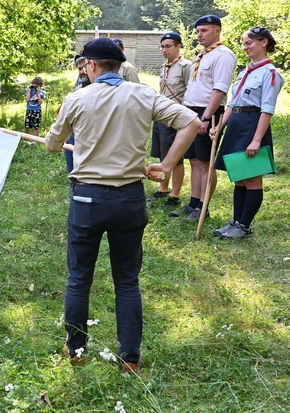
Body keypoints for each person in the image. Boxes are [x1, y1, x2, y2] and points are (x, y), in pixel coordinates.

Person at [44, 38, 200, 372]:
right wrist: (169, 164)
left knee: (79, 278)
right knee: (127, 281)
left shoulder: (77, 98)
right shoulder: (142, 94)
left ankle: (76, 349)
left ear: (93, 66)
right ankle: (130, 357)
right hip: (129, 198)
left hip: (88, 198)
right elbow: (191, 122)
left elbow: (52, 144)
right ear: (119, 66)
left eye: (86, 64)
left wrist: (64, 139)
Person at [209, 27, 284, 239]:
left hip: (252, 125)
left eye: (250, 42)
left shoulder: (270, 74)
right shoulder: (245, 72)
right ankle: (236, 221)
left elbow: (267, 109)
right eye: (244, 43)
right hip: (237, 124)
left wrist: (257, 140)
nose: (246, 47)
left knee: (251, 179)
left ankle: (244, 226)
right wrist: (220, 126)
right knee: (239, 177)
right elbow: (233, 104)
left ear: (264, 43)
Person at [170, 15, 237, 220]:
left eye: (204, 30)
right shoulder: (202, 55)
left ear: (217, 30)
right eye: (198, 31)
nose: (199, 35)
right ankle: (193, 203)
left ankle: (203, 207)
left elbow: (219, 89)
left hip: (208, 112)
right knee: (193, 160)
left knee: (205, 161)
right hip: (191, 111)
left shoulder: (223, 55)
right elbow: (193, 86)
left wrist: (206, 117)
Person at [149, 32, 192, 208]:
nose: (164, 50)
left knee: (175, 157)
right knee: (162, 153)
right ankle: (163, 188)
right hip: (161, 115)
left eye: (168, 46)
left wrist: (183, 111)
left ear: (178, 46)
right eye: (162, 46)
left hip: (176, 116)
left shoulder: (186, 66)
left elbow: (190, 91)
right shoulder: (164, 66)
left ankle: (175, 195)